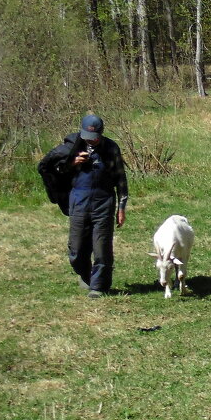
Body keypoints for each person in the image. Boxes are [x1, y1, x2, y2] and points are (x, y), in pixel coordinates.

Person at [39, 114, 129, 298]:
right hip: (79, 200)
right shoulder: (71, 147)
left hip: (104, 201)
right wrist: (71, 164)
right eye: (88, 137)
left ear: (100, 134)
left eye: (94, 137)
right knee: (77, 249)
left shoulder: (111, 148)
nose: (91, 140)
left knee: (102, 247)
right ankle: (86, 274)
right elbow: (53, 170)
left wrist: (121, 207)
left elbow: (121, 179)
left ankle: (99, 287)